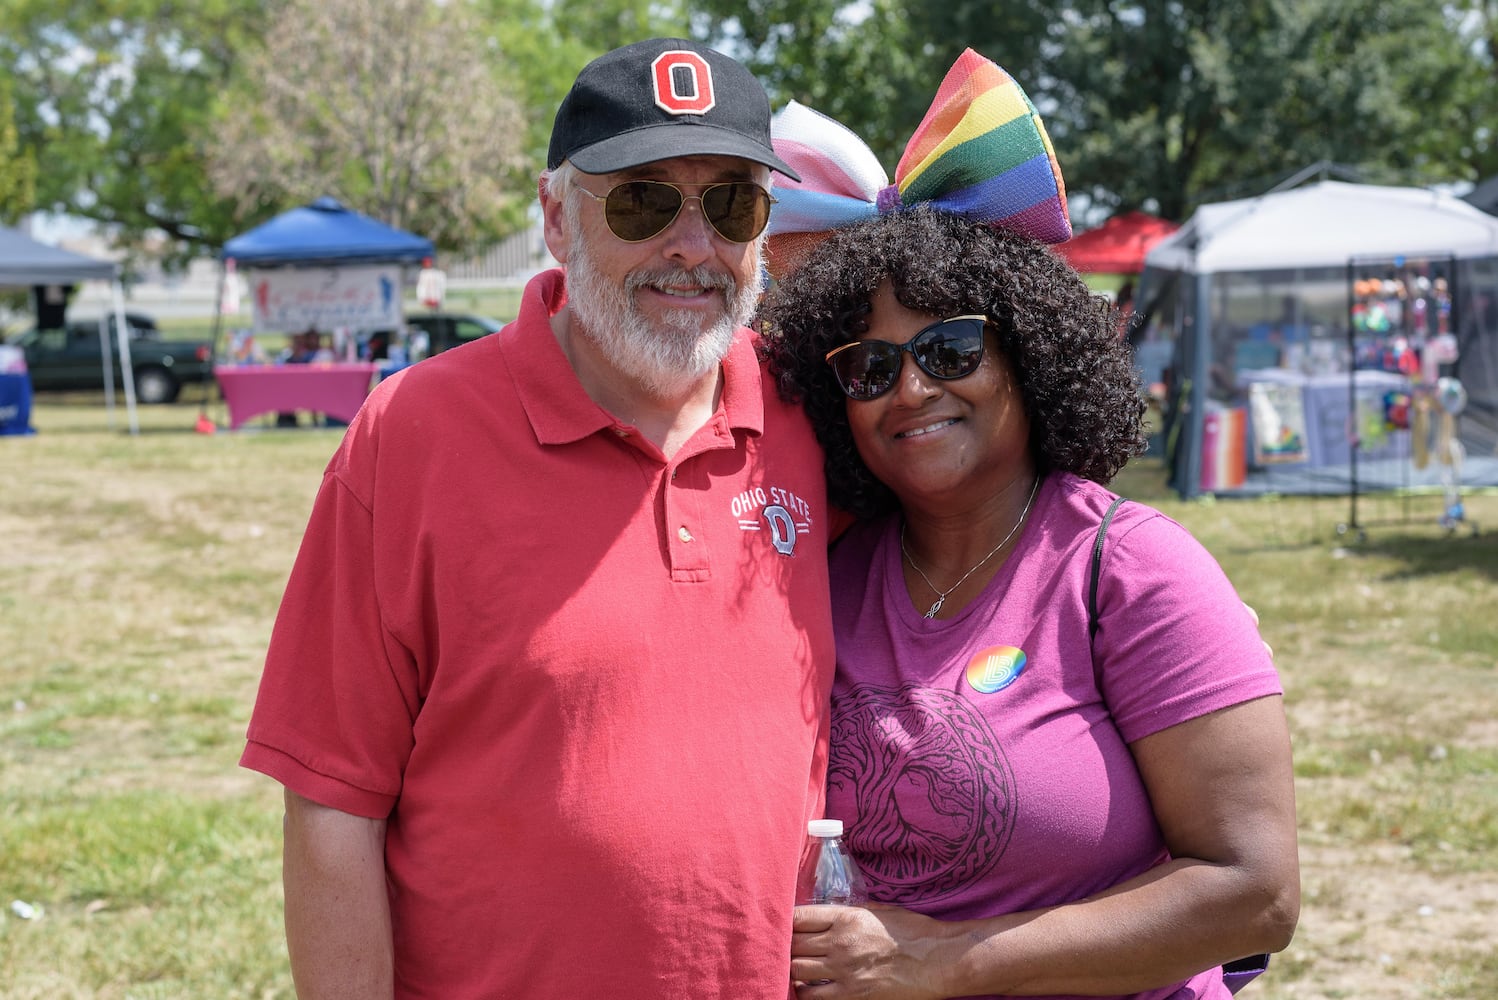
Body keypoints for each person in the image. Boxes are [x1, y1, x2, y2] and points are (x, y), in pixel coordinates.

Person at [240, 38, 838, 999]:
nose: (693, 246)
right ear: (558, 219)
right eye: (644, 201)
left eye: (731, 203)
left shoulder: (817, 416)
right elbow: (330, 802)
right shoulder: (414, 431)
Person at [762, 200, 1300, 998]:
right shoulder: (822, 578)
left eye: (949, 350)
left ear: (1027, 355)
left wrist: (950, 962)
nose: (909, 388)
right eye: (870, 367)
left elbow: (1254, 891)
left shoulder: (1130, 567)